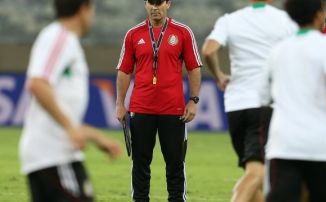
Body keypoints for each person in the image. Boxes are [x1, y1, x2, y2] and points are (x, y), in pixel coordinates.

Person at [19, 0, 121, 201]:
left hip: (55, 154)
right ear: (83, 9)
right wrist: (70, 129)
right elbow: (38, 84)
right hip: (53, 155)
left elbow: (60, 104)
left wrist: (93, 135)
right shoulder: (60, 38)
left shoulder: (63, 39)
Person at [201, 0, 296, 201]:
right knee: (259, 173)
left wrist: (218, 76)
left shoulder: (230, 20)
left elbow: (209, 50)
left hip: (236, 106)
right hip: (264, 104)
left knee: (256, 173)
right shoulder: (285, 20)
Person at [263, 0, 326, 201]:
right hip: (319, 145)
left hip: (283, 144)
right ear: (319, 15)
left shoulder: (278, 50)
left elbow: (264, 94)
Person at [115, 0, 202, 201]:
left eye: (159, 2)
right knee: (140, 165)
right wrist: (120, 103)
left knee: (175, 164)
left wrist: (193, 100)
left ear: (168, 4)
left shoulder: (183, 32)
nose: (155, 7)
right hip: (141, 109)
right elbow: (124, 71)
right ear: (145, 5)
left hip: (173, 111)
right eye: (151, 2)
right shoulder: (133, 34)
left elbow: (194, 67)